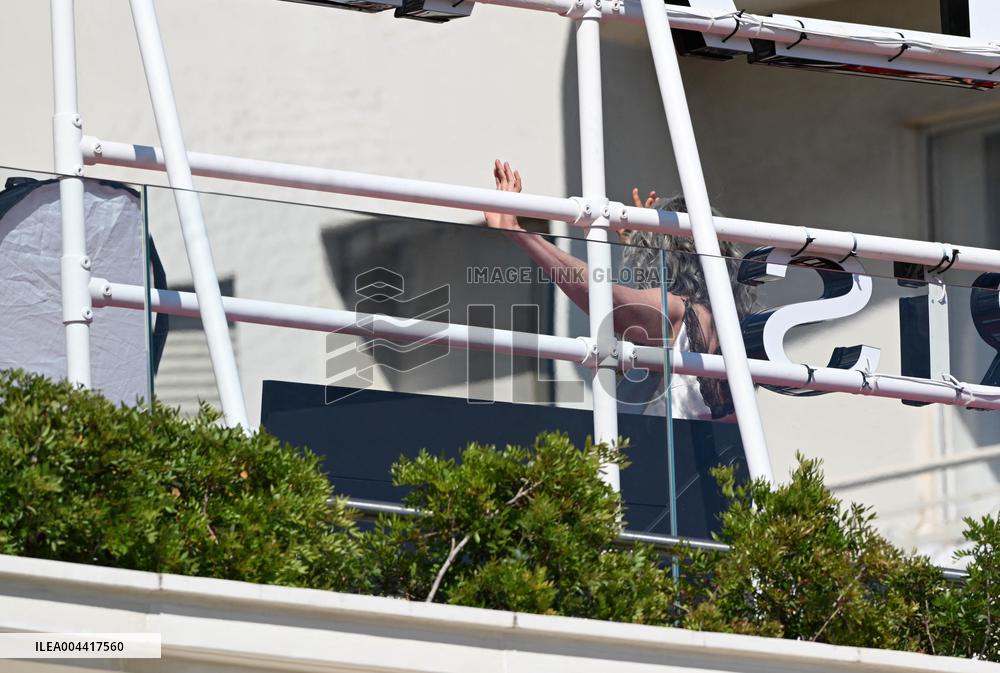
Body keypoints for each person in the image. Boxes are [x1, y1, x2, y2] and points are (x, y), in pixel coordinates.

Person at [482, 159, 753, 421]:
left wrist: (519, 233)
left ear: (666, 256)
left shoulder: (675, 310)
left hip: (661, 459)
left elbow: (602, 296)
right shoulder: (732, 324)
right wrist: (636, 242)